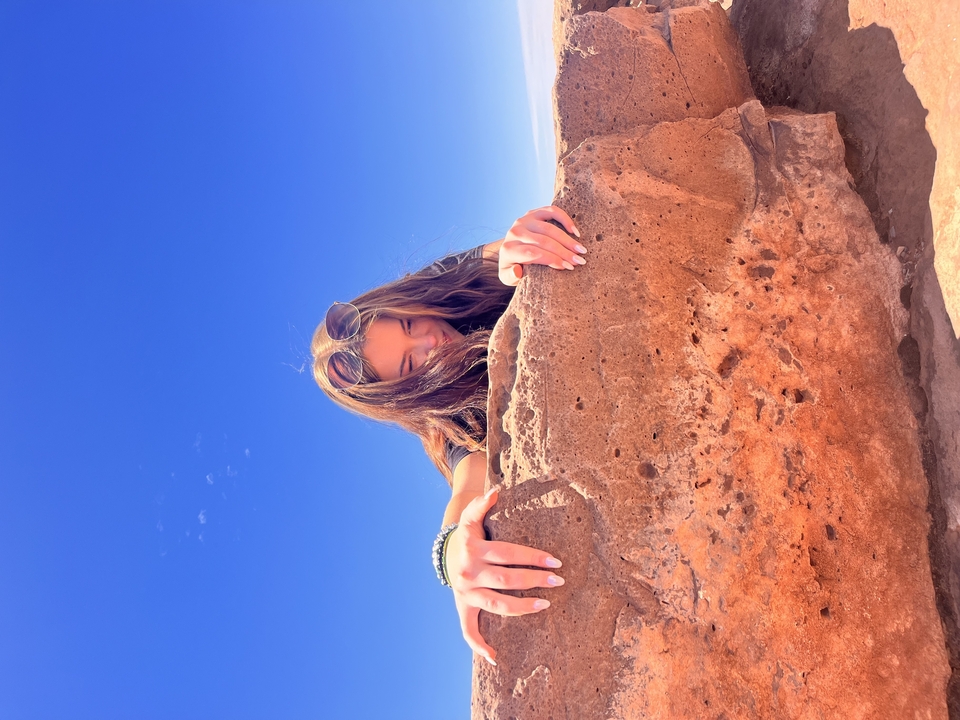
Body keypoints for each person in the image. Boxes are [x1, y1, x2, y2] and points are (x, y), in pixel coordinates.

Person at [311, 206, 587, 666]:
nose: (428, 342)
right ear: (403, 393)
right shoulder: (448, 421)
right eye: (409, 364)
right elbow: (467, 486)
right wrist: (453, 552)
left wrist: (515, 249)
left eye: (408, 325)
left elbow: (499, 257)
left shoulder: (448, 282)